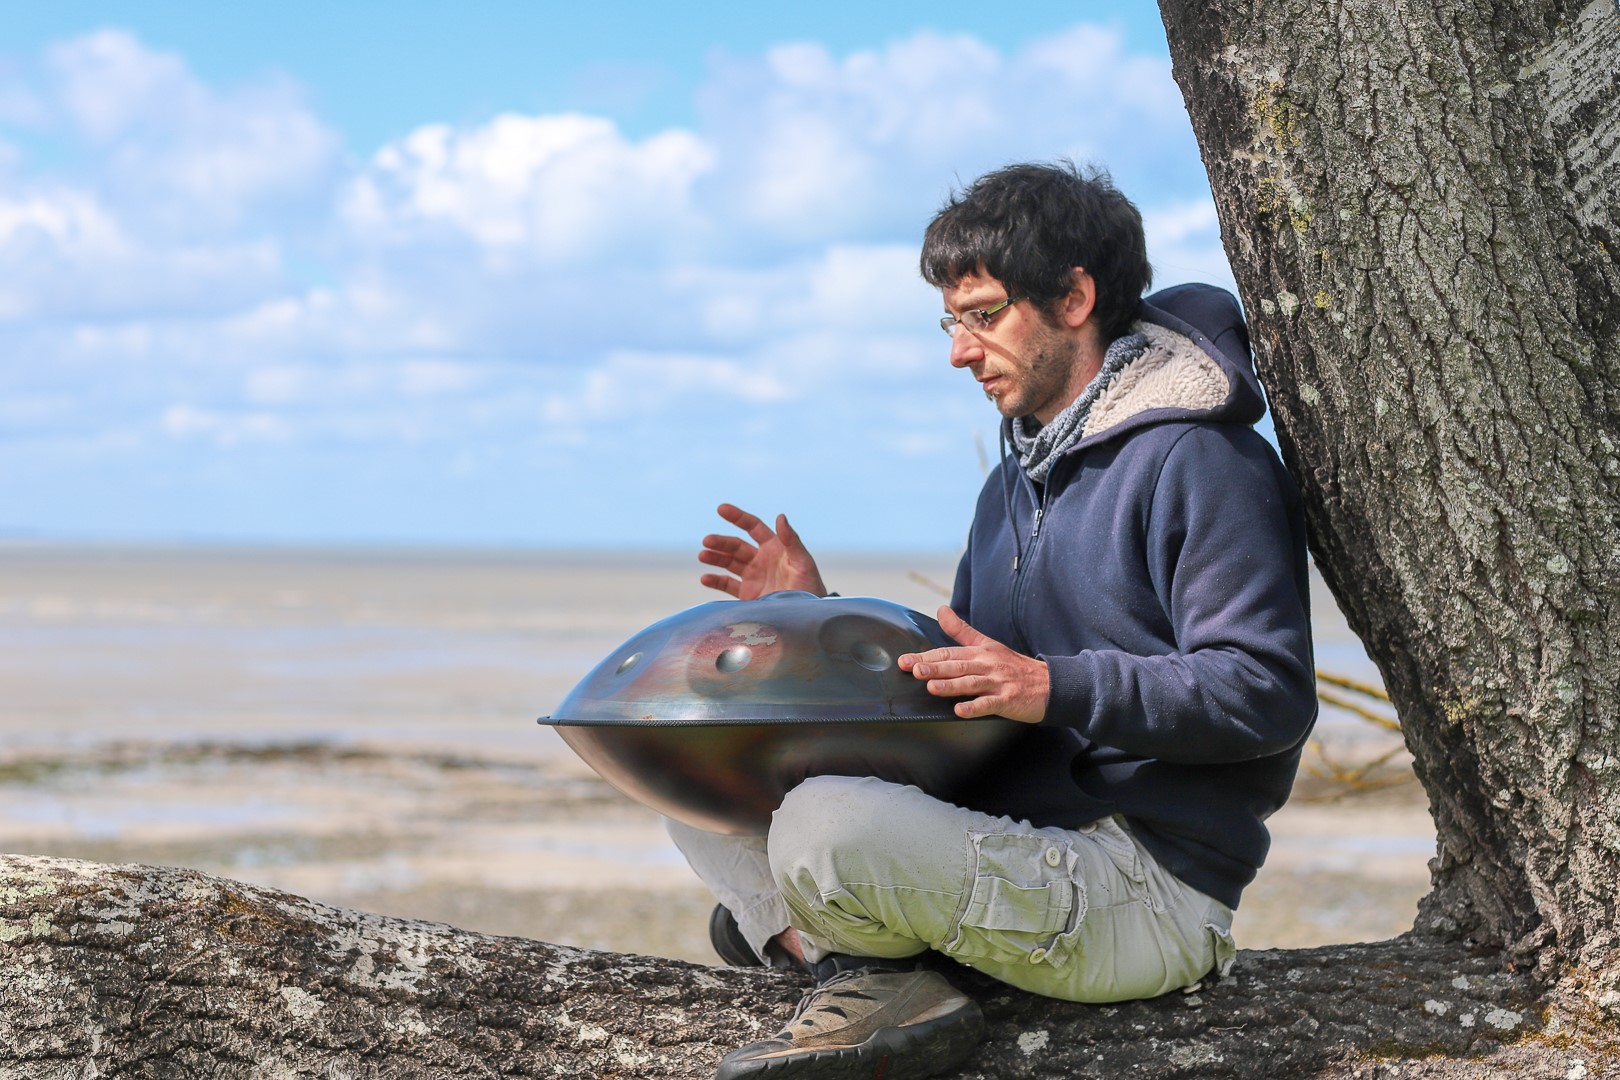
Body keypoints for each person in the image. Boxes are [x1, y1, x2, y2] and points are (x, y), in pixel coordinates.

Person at [669, 161, 1317, 1080]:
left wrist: (1053, 686)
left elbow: (1267, 693)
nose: (959, 353)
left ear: (1075, 297)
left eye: (982, 316)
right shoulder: (1012, 481)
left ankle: (843, 955)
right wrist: (816, 624)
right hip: (1016, 835)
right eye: (951, 321)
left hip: (1146, 883)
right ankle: (869, 960)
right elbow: (960, 685)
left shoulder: (1204, 461)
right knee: (703, 787)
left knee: (821, 827)